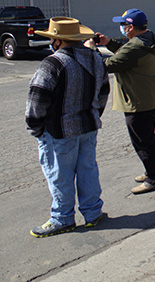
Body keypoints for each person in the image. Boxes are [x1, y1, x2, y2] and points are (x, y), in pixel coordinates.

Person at [26, 17, 110, 237]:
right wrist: (93, 115)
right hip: (88, 127)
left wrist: (35, 127)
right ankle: (93, 214)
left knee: (60, 176)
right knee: (88, 172)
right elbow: (103, 93)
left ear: (58, 40)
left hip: (59, 131)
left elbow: (37, 100)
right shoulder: (95, 58)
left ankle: (62, 218)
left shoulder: (52, 63)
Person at [87, 9, 155, 195]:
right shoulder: (149, 38)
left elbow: (106, 65)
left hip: (138, 100)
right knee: (148, 137)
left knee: (142, 140)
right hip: (149, 96)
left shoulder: (136, 46)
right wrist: (110, 43)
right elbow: (128, 54)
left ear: (130, 27)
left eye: (123, 25)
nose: (122, 28)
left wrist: (92, 49)